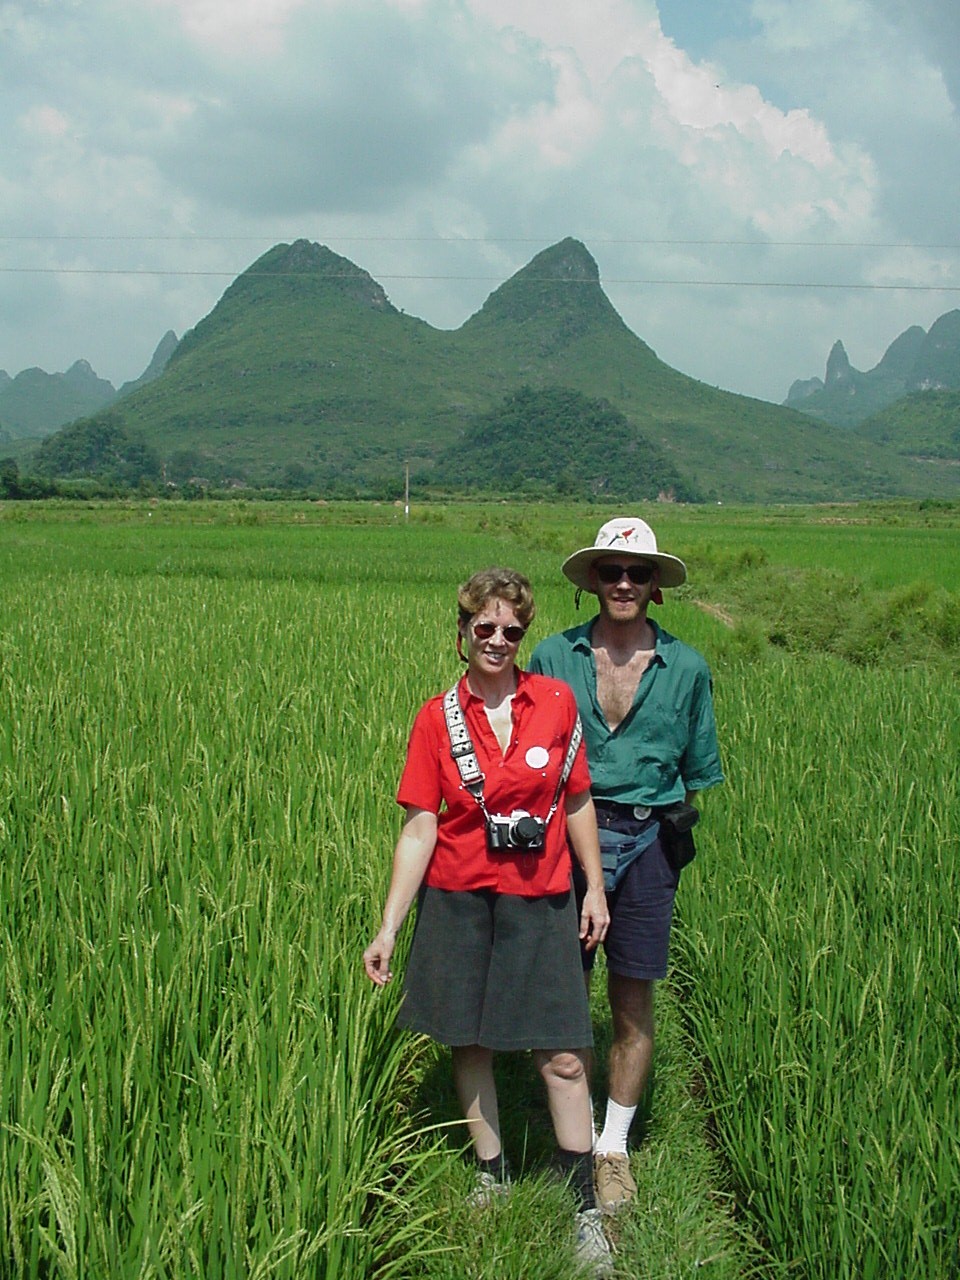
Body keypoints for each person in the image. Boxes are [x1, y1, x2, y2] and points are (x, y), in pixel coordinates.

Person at [363, 568, 614, 1276]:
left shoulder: (556, 703)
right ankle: (491, 1171)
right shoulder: (435, 718)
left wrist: (594, 887)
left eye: (512, 629)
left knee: (563, 1053)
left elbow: (576, 800)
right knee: (468, 1041)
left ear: (522, 635)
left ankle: (583, 1204)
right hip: (459, 897)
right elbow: (420, 828)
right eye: (486, 627)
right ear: (463, 632)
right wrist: (389, 926)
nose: (498, 639)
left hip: (542, 896)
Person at [528, 518, 723, 1215]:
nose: (623, 583)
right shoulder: (554, 656)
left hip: (648, 842)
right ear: (592, 580)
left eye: (637, 573)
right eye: (611, 570)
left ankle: (612, 1148)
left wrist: (659, 843)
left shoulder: (687, 668)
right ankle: (572, 1134)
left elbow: (695, 775)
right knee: (563, 992)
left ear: (654, 586)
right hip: (564, 840)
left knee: (633, 997)